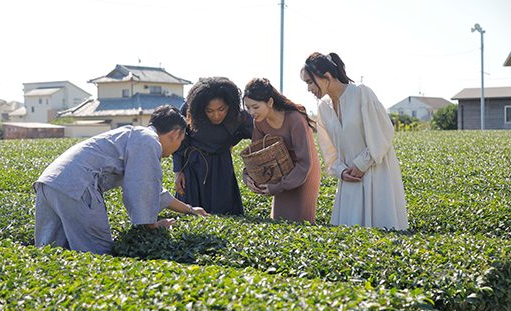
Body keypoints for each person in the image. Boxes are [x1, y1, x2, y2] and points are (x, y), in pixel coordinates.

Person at [34, 105, 209, 254]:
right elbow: (142, 188)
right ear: (175, 133)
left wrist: (189, 209)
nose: (177, 148)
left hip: (49, 183)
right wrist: (151, 225)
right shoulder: (148, 141)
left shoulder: (135, 136)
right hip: (78, 187)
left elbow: (154, 189)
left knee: (51, 251)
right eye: (181, 141)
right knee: (97, 253)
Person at [301, 52, 408, 230]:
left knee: (381, 233)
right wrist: (341, 172)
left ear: (326, 77)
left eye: (310, 82)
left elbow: (382, 134)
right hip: (349, 180)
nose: (308, 89)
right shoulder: (323, 108)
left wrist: (361, 164)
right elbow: (329, 152)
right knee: (349, 238)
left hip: (376, 174)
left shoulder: (361, 93)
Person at [242, 78, 321, 224]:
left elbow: (305, 162)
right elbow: (255, 156)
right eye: (248, 108)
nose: (252, 112)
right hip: (280, 172)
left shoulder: (295, 119)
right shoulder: (258, 122)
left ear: (270, 102)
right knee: (280, 220)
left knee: (301, 222)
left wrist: (278, 186)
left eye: (255, 107)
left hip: (303, 172)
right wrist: (248, 177)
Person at [173, 77, 253, 215]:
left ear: (229, 104)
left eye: (221, 109)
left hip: (222, 169)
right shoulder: (189, 109)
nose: (216, 115)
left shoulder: (238, 116)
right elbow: (179, 142)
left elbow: (258, 134)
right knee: (190, 215)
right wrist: (178, 172)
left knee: (225, 214)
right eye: (209, 111)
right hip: (193, 169)